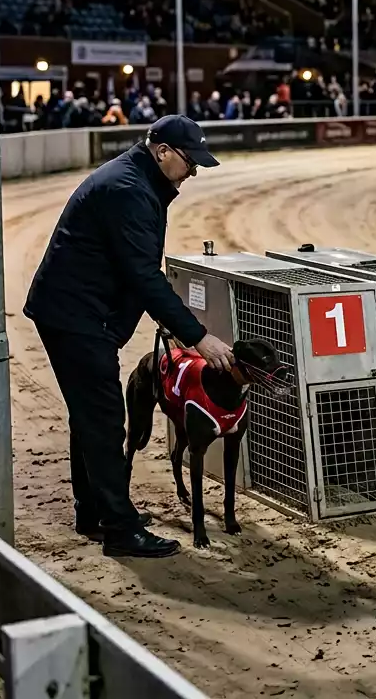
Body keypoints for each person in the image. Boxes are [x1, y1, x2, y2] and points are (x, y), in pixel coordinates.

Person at [24, 115, 234, 559]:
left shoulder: (138, 180)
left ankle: (95, 512)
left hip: (77, 311)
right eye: (190, 162)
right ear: (163, 152)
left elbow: (135, 268)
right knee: (103, 420)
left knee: (90, 416)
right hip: (76, 316)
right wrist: (197, 337)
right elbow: (143, 275)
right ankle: (119, 529)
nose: (193, 172)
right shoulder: (128, 189)